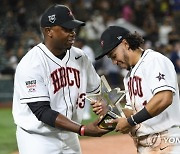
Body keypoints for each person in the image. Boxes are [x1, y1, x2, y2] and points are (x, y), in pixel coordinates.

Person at [12, 4, 109, 154]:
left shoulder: (80, 56)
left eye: (73, 29)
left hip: (69, 135)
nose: (73, 33)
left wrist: (102, 103)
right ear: (48, 31)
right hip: (38, 139)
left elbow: (97, 90)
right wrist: (82, 129)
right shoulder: (31, 63)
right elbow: (42, 111)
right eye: (66, 29)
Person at [92, 26, 180, 153]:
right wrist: (110, 112)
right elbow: (131, 110)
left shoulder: (154, 60)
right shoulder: (128, 76)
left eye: (113, 55)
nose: (113, 62)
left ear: (126, 44)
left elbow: (164, 98)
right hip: (145, 144)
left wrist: (131, 122)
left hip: (166, 140)